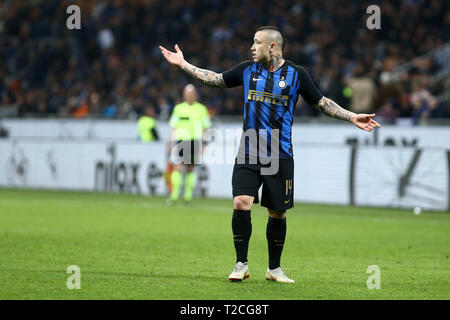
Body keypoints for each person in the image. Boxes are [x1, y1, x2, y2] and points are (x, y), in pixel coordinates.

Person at [160, 26, 380, 283]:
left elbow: (322, 102)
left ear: (272, 46)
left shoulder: (297, 74)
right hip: (249, 148)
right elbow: (216, 79)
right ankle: (241, 264)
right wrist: (184, 65)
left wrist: (352, 116)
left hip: (280, 152)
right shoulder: (246, 70)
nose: (252, 47)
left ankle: (274, 269)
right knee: (241, 201)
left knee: (277, 212)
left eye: (257, 42)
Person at [167, 84, 211, 204]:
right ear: (184, 95)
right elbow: (174, 127)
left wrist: (204, 145)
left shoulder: (202, 109)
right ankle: (174, 195)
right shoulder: (179, 108)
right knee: (178, 167)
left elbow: (206, 129)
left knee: (191, 168)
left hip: (194, 141)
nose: (189, 96)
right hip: (181, 140)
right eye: (187, 94)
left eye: (191, 94)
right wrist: (170, 143)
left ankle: (188, 196)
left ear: (195, 95)